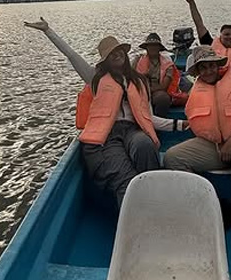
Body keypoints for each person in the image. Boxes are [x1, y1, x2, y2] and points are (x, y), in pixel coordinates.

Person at [23, 18, 187, 209]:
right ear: (105, 60)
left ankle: (154, 200)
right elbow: (71, 55)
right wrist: (48, 31)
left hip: (133, 131)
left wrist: (180, 124)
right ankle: (134, 224)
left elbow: (148, 119)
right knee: (127, 182)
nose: (117, 54)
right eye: (111, 54)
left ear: (125, 54)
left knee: (145, 145)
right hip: (106, 138)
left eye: (119, 51)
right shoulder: (96, 78)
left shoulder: (139, 82)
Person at [163, 45, 231, 255]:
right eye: (203, 68)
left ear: (218, 65)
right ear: (198, 71)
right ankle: (218, 204)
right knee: (172, 158)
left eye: (212, 66)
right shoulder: (196, 90)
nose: (209, 71)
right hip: (214, 146)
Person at [180, 0, 231, 73]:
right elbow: (199, 25)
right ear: (220, 36)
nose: (230, 37)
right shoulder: (210, 46)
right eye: (227, 34)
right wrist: (191, 3)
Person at [132, 32, 181, 117]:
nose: (152, 48)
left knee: (163, 98)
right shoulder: (137, 60)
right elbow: (132, 79)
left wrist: (149, 91)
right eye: (150, 45)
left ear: (159, 48)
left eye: (155, 45)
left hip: (157, 93)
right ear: (146, 48)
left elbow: (164, 86)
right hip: (140, 91)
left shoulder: (168, 63)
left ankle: (159, 121)